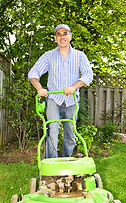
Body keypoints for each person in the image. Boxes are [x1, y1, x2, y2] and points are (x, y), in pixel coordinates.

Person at [28, 24, 93, 158]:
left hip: (72, 100)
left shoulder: (80, 56)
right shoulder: (48, 56)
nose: (62, 36)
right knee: (52, 130)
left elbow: (88, 75)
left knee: (70, 133)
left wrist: (73, 87)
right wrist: (40, 88)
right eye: (59, 34)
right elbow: (33, 73)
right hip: (53, 99)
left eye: (65, 33)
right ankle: (51, 164)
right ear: (55, 38)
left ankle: (66, 159)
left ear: (70, 36)